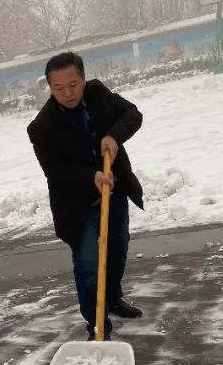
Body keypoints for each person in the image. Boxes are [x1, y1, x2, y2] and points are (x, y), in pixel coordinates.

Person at [27, 51, 145, 340]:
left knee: (117, 249)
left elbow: (133, 114)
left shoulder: (98, 94)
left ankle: (113, 298)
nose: (67, 93)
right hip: (77, 207)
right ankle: (97, 325)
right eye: (58, 88)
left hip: (114, 191)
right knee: (89, 264)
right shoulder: (42, 127)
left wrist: (113, 136)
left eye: (73, 84)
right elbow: (55, 170)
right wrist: (89, 176)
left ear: (83, 78)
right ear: (49, 87)